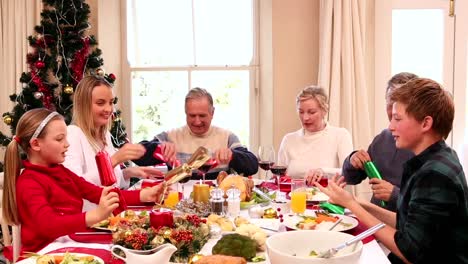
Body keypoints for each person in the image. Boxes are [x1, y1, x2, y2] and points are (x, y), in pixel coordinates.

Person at [316, 78, 468, 263]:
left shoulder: (434, 174)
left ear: (426, 123)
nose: (390, 126)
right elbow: (406, 223)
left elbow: (409, 252)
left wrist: (353, 206)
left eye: (398, 118)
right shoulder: (433, 159)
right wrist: (354, 201)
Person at [1, 108, 167, 254]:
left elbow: (96, 192)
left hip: (69, 244)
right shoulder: (29, 182)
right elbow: (48, 225)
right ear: (36, 144)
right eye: (59, 139)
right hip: (44, 254)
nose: (67, 144)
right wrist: (95, 215)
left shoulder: (59, 170)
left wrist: (144, 195)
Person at [63, 76, 167, 211]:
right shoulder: (72, 134)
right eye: (100, 103)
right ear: (84, 105)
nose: (109, 109)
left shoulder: (104, 134)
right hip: (88, 219)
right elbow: (74, 187)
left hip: (109, 216)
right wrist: (115, 159)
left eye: (111, 102)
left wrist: (128, 173)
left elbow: (110, 183)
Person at [134, 87, 258, 179]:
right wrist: (158, 148)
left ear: (212, 113)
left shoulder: (227, 137)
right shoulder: (170, 136)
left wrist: (233, 155)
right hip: (178, 203)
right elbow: (138, 156)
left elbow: (253, 166)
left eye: (202, 115)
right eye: (192, 116)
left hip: (217, 204)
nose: (197, 121)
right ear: (185, 113)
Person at [342, 72, 417, 211]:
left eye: (399, 104)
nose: (393, 111)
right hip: (374, 220)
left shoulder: (424, 147)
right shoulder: (383, 138)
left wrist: (394, 195)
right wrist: (352, 160)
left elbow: (427, 210)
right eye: (390, 103)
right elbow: (351, 178)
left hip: (403, 226)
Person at [277, 85, 353, 182]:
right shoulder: (289, 140)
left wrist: (323, 171)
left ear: (324, 111)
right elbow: (279, 177)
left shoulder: (340, 135)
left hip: (328, 196)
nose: (305, 118)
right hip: (294, 196)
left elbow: (349, 173)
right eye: (301, 112)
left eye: (311, 112)